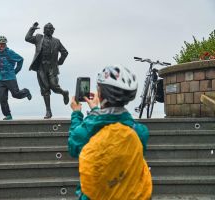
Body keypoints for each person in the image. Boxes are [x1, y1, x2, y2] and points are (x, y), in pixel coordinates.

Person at [68, 65, 152, 199]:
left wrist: (77, 113)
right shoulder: (139, 132)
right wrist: (96, 109)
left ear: (100, 94)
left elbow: (73, 146)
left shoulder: (88, 130)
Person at [0, 35, 32, 120]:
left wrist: (15, 71)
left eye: (3, 44)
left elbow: (20, 59)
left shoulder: (10, 52)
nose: (1, 46)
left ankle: (26, 92)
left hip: (10, 78)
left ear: (5, 44)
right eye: (0, 44)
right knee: (2, 99)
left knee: (16, 95)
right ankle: (8, 115)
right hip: (1, 79)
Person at [25, 22, 69, 119]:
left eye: (51, 29)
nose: (49, 30)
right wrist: (32, 29)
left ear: (53, 30)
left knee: (54, 86)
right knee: (45, 89)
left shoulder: (57, 41)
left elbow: (65, 52)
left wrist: (60, 62)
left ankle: (64, 93)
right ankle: (48, 111)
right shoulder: (38, 38)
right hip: (41, 67)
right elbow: (27, 38)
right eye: (47, 28)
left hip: (52, 67)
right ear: (44, 30)